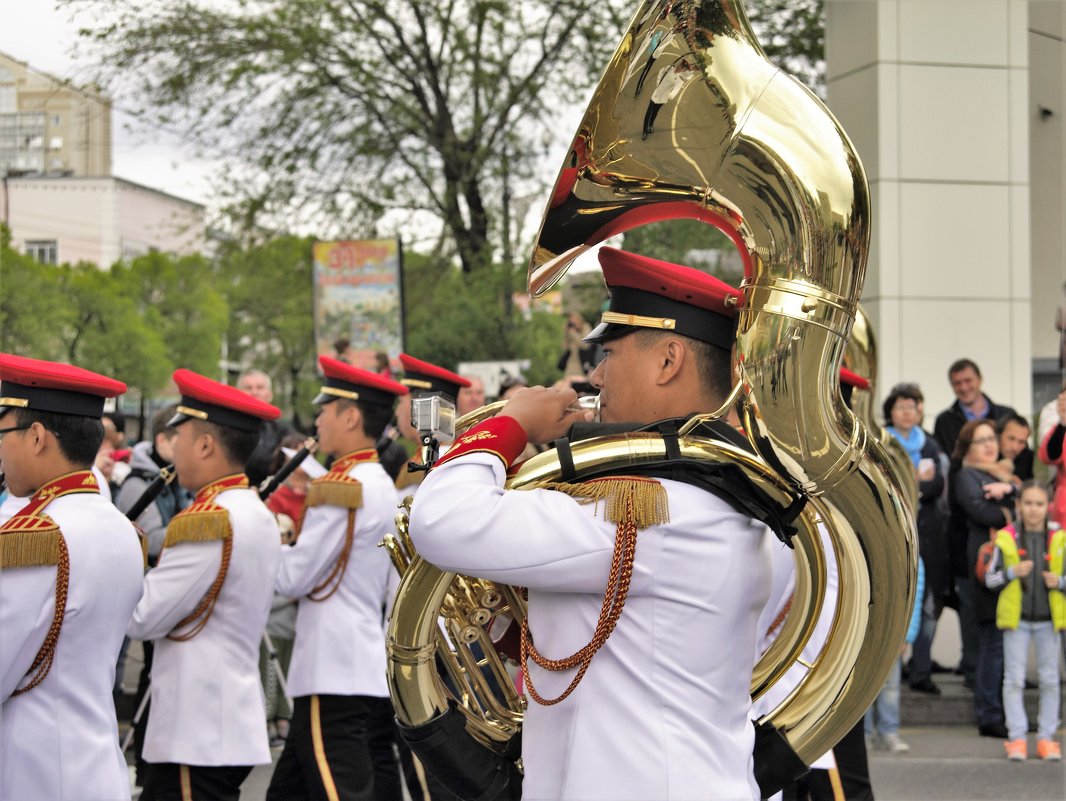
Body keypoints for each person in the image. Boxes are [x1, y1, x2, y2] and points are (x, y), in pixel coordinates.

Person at [409, 247, 776, 800]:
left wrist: (510, 424)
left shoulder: (648, 509)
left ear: (668, 360)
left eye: (609, 352)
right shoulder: (696, 497)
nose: (596, 375)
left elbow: (441, 521)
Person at [127, 369, 283, 801]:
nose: (172, 448)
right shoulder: (250, 509)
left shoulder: (207, 520)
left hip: (195, 729)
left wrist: (122, 560)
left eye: (178, 437)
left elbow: (143, 616)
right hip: (220, 718)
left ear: (205, 444)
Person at [0, 353, 144, 801]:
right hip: (93, 766)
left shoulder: (37, 534)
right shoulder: (119, 526)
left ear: (37, 437)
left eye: (2, 434)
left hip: (37, 775)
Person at [268, 357, 407, 801]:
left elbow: (293, 577)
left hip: (332, 666)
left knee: (342, 790)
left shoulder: (342, 485)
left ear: (350, 416)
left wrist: (265, 536)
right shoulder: (380, 481)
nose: (318, 420)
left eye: (325, 409)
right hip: (355, 659)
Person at [114, 403, 193, 785]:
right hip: (146, 588)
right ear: (163, 440)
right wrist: (195, 524)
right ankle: (145, 760)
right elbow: (148, 539)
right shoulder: (139, 481)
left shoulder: (174, 477)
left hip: (168, 585)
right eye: (179, 441)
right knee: (149, 675)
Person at [981, 480, 1064, 761]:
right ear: (1018, 505)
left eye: (1039, 504)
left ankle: (1046, 738)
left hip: (1048, 620)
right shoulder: (1006, 537)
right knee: (1013, 679)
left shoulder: (1060, 538)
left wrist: (1060, 582)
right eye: (1027, 503)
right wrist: (1012, 572)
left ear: (1048, 507)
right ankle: (1017, 738)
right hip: (1015, 621)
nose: (1033, 509)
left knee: (1050, 680)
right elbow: (990, 578)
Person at [949, 419, 1016, 738]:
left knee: (1003, 642)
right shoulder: (966, 474)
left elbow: (1028, 497)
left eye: (992, 438)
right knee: (991, 642)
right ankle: (989, 714)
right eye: (981, 441)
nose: (990, 445)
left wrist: (1010, 491)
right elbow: (984, 513)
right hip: (984, 562)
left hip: (1010, 561)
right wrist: (1008, 509)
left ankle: (1001, 710)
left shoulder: (1003, 472)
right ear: (967, 447)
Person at [882, 383, 947, 694]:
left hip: (925, 533)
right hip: (890, 531)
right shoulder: (881, 441)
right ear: (890, 412)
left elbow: (934, 486)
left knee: (928, 604)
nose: (907, 412)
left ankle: (920, 670)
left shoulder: (929, 444)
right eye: (900, 407)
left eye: (912, 406)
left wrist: (912, 489)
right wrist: (916, 485)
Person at [237, 369, 293, 488]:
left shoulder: (282, 429)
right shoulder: (229, 427)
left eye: (260, 387)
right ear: (238, 393)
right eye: (248, 388)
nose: (254, 392)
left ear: (270, 395)